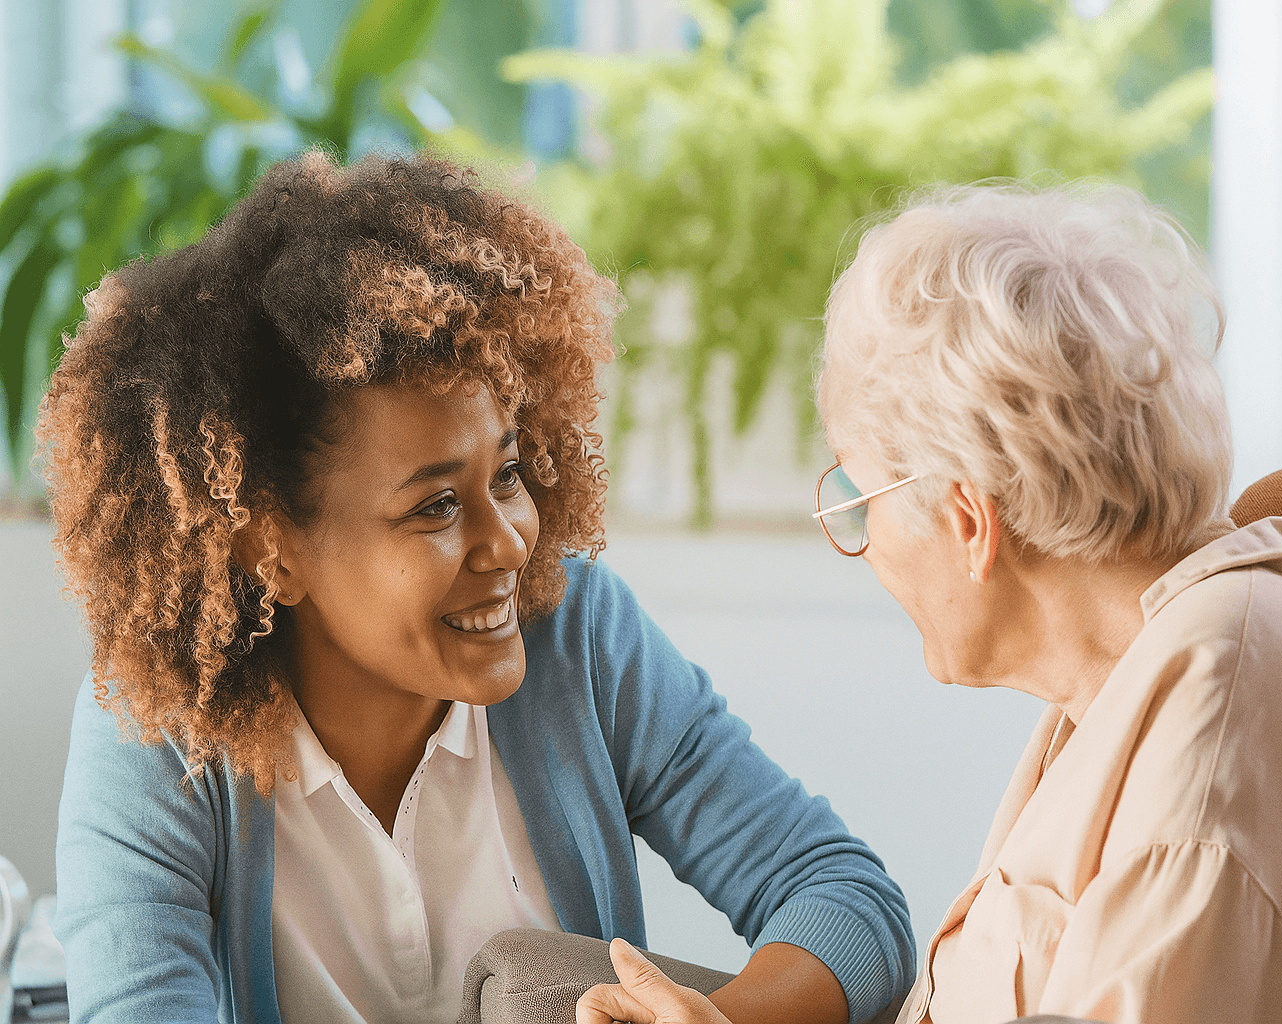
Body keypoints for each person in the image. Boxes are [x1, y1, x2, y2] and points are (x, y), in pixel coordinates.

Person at [584, 181, 1282, 1023]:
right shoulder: (1138, 680)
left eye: (861, 502)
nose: (863, 550)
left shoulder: (1224, 704)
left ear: (968, 520)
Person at [38, 151, 914, 1024]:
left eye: (506, 475)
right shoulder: (158, 735)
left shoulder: (578, 635)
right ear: (273, 550)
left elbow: (844, 899)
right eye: (435, 507)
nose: (510, 543)